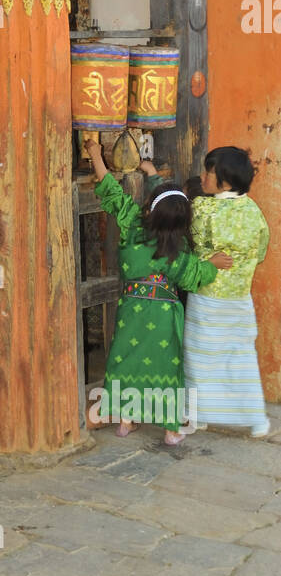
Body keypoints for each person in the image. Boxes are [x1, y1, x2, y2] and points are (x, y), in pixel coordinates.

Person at [86, 141, 231, 445]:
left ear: (150, 209)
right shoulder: (177, 250)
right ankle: (171, 429)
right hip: (163, 316)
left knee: (126, 360)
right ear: (182, 222)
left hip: (131, 312)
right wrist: (213, 264)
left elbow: (112, 191)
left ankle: (125, 421)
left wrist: (96, 155)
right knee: (167, 368)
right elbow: (195, 276)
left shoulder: (133, 224)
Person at [184, 146, 271, 438]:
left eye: (209, 172)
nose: (203, 176)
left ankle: (199, 415)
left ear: (225, 181)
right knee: (240, 358)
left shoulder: (202, 209)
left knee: (200, 359)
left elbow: (195, 251)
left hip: (207, 300)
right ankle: (257, 420)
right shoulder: (254, 211)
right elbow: (260, 252)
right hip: (239, 301)